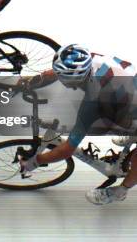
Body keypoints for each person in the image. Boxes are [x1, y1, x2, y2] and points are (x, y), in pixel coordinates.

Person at [19, 44, 137, 205]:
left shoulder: (97, 97)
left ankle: (120, 191)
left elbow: (67, 150)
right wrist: (33, 80)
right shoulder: (88, 58)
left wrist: (35, 161)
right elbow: (60, 71)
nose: (60, 79)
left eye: (63, 78)